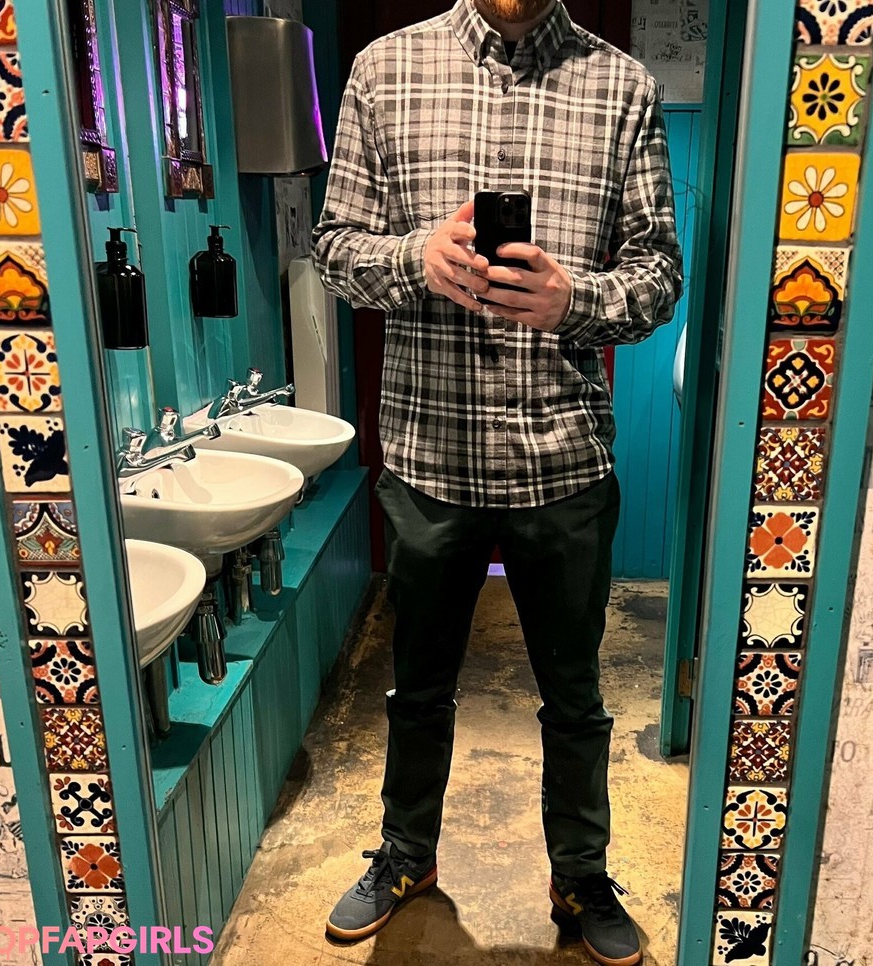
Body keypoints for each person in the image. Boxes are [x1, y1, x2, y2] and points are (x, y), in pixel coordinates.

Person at [312, 0, 681, 963]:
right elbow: (335, 247)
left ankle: (580, 874)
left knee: (575, 695)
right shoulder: (384, 71)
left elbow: (658, 274)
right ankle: (407, 853)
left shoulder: (623, 86)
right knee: (417, 686)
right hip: (430, 456)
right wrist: (416, 259)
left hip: (564, 460)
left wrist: (574, 298)